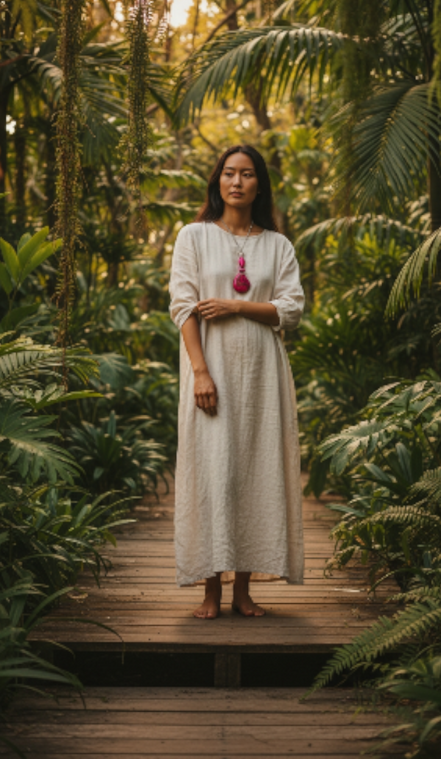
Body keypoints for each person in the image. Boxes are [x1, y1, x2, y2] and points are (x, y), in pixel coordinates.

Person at [169, 144, 305, 620]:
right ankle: (210, 588)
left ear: (259, 185)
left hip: (263, 376)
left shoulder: (278, 244)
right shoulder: (193, 236)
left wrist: (235, 306)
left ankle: (243, 590)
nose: (237, 182)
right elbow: (183, 307)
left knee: (254, 472)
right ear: (218, 181)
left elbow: (290, 309)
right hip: (212, 369)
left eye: (247, 174)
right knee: (214, 472)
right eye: (229, 173)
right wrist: (200, 372)